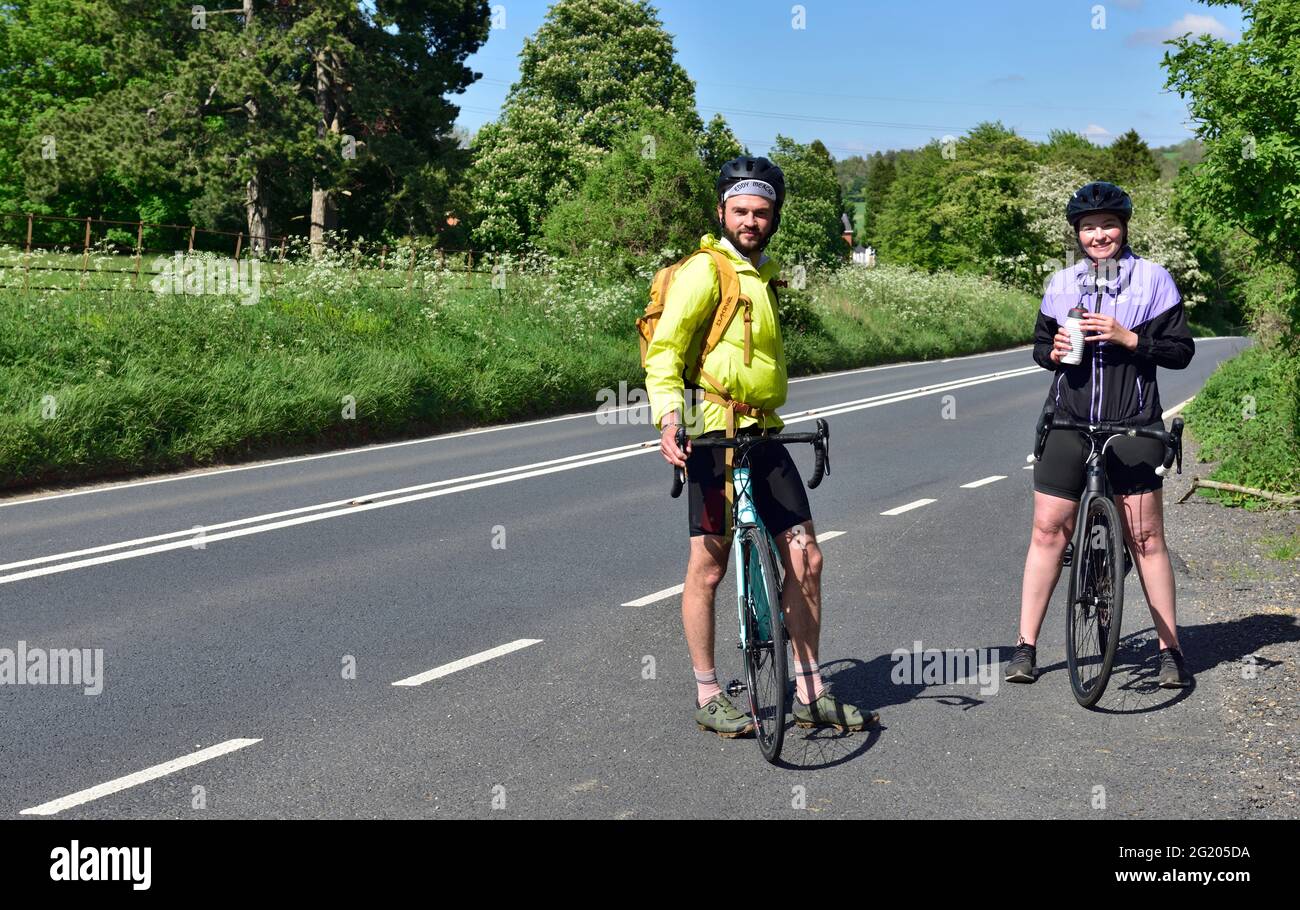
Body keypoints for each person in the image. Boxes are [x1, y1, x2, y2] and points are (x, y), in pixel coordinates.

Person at [645, 156, 879, 736]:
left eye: (762, 212)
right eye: (741, 210)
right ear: (722, 211)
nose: (751, 220)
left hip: (764, 431)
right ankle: (707, 693)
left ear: (774, 216)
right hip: (712, 430)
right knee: (709, 565)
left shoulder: (763, 272)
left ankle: (809, 690)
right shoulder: (707, 270)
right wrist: (670, 418)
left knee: (805, 556)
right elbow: (666, 352)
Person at [1007, 181, 1195, 688]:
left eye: (1108, 225)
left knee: (1146, 538)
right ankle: (1025, 647)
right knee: (1048, 532)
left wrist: (1128, 337)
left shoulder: (1154, 280)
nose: (1099, 234)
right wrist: (1054, 349)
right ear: (1077, 234)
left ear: (1124, 227)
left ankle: (1169, 651)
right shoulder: (1062, 283)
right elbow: (1040, 347)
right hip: (1067, 423)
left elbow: (1181, 351)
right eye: (1089, 228)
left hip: (1133, 425)